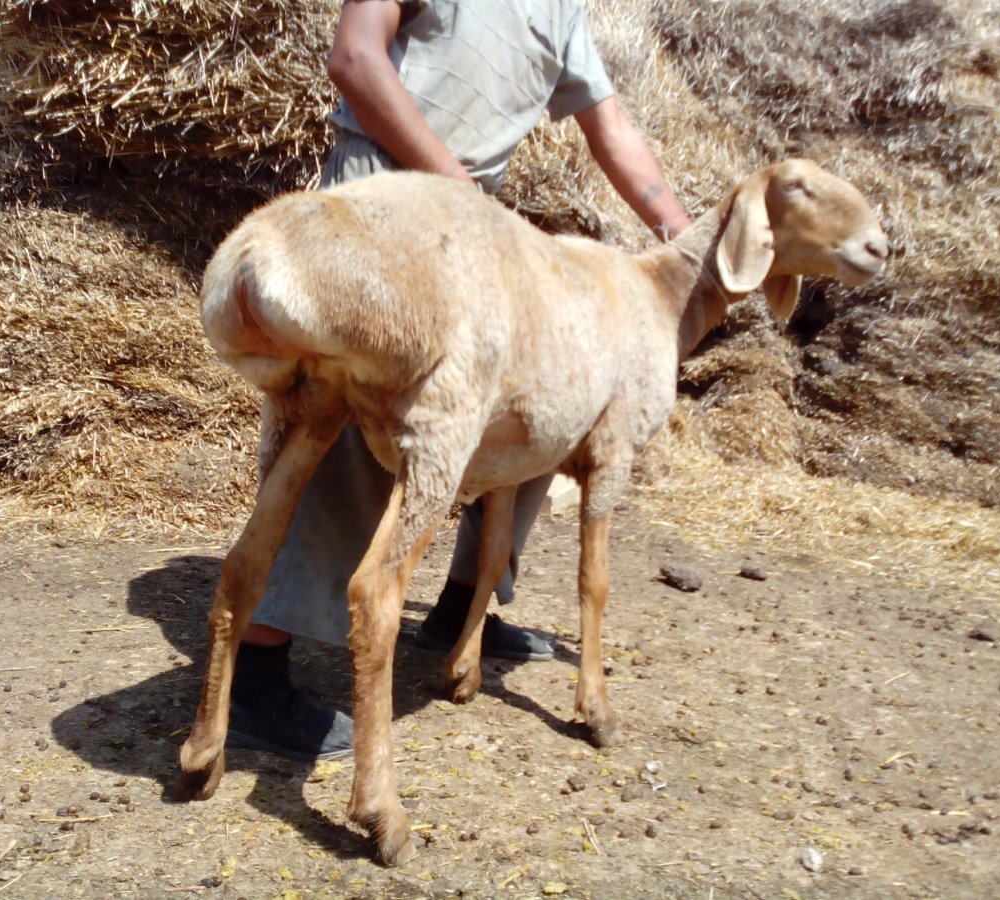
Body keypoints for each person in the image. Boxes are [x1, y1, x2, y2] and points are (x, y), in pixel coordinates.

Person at [225, 0, 693, 761]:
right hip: (381, 204)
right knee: (341, 440)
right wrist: (456, 187)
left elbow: (610, 126)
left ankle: (462, 606)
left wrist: (688, 244)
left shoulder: (562, 14)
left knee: (546, 407)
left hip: (467, 232)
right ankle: (256, 671)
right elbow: (356, 58)